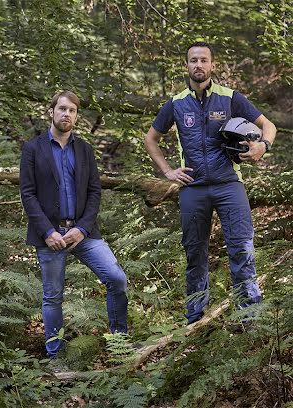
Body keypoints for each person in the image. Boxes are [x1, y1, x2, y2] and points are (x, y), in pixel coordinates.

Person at [144, 41, 277, 325]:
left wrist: (262, 146)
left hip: (229, 184)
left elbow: (269, 125)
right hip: (192, 188)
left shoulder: (230, 98)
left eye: (204, 60)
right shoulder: (176, 103)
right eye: (193, 60)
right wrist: (168, 171)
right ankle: (196, 320)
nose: (199, 65)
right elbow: (150, 139)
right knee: (195, 253)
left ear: (212, 65)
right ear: (187, 66)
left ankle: (249, 319)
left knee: (241, 248)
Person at [19, 90, 128, 358]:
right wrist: (47, 232)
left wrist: (82, 228)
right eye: (63, 109)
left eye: (72, 111)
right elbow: (28, 194)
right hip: (50, 236)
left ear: (77, 116)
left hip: (83, 233)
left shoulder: (85, 150)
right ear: (52, 111)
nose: (67, 114)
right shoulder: (33, 149)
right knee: (53, 296)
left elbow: (94, 192)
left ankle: (120, 343)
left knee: (117, 278)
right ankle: (55, 356)